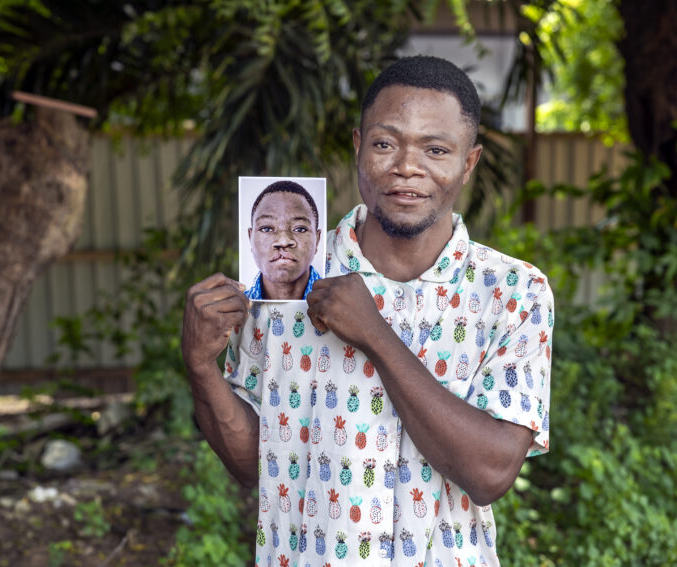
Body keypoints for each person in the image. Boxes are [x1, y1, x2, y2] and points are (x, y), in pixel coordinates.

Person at [182, 55, 553, 566]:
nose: (406, 166)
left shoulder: (513, 292)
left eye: (436, 149)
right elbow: (254, 467)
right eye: (385, 143)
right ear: (359, 147)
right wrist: (201, 366)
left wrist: (374, 333)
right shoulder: (286, 280)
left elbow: (490, 475)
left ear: (468, 164)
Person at [245, 180, 323, 301]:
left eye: (300, 229)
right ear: (250, 238)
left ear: (317, 240)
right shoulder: (229, 313)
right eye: (266, 229)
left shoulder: (342, 307)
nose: (283, 241)